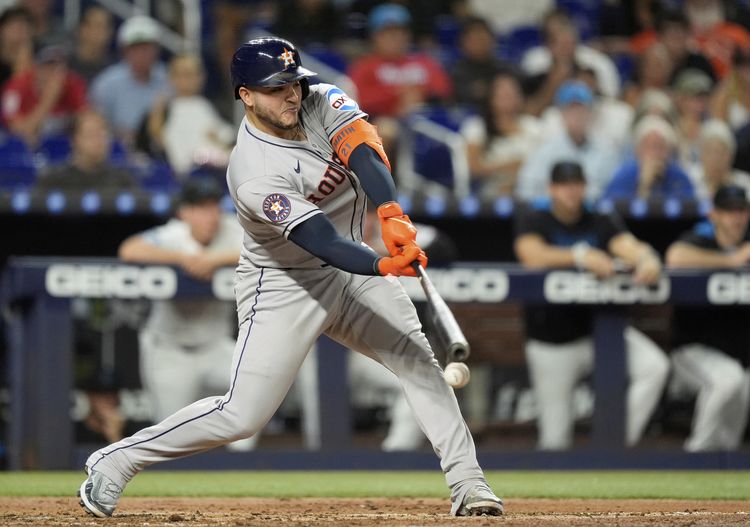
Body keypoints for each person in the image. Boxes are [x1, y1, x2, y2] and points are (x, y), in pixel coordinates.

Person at [78, 36, 503, 518]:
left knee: (419, 362)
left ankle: (469, 485)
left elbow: (364, 150)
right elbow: (320, 240)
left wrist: (389, 211)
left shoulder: (319, 97)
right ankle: (117, 460)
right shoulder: (252, 170)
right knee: (243, 414)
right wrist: (384, 265)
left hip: (355, 264)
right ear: (246, 95)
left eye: (292, 82)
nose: (290, 95)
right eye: (275, 88)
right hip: (284, 282)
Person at [513, 161, 670, 450]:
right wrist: (580, 256)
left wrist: (648, 257)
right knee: (555, 440)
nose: (571, 192)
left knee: (654, 366)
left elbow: (626, 244)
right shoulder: (535, 215)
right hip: (552, 341)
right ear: (552, 189)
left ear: (584, 187)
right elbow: (531, 255)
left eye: (577, 185)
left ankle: (616, 448)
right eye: (564, 185)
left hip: (600, 333)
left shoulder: (598, 215)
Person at [116, 176, 258, 450]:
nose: (210, 216)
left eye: (214, 207)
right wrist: (182, 259)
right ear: (185, 213)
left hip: (216, 349)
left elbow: (272, 248)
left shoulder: (232, 230)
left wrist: (214, 259)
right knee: (170, 441)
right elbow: (129, 249)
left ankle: (243, 479)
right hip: (170, 351)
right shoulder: (173, 235)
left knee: (253, 406)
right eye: (201, 208)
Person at [665, 185, 750, 451]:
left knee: (729, 440)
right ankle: (695, 455)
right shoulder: (700, 237)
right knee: (727, 380)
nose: (737, 217)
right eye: (730, 211)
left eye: (742, 211)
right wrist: (731, 260)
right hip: (692, 350)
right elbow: (675, 257)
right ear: (714, 214)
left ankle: (720, 485)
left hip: (737, 356)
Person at [347, 3, 452, 162]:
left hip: (426, 120)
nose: (395, 38)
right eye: (388, 33)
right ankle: (380, 183)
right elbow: (359, 100)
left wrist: (422, 94)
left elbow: (444, 90)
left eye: (399, 32)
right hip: (387, 121)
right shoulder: (365, 66)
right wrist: (396, 98)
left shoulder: (424, 62)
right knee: (386, 130)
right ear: (375, 36)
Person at [516, 81, 620, 202]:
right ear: (561, 114)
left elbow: (614, 191)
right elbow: (525, 190)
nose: (577, 116)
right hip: (552, 215)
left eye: (581, 110)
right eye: (571, 110)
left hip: (593, 216)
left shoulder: (606, 152)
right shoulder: (544, 151)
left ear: (590, 113)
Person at [146, 53, 235, 178]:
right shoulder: (165, 108)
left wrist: (219, 140)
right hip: (183, 176)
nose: (187, 80)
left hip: (216, 171)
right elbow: (156, 139)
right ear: (171, 78)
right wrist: (157, 112)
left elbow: (228, 138)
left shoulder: (208, 106)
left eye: (192, 74)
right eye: (182, 74)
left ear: (201, 77)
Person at [460, 70, 543, 198]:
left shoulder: (533, 126)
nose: (509, 98)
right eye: (503, 94)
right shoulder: (477, 127)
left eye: (513, 94)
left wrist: (522, 172)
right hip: (492, 192)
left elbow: (544, 162)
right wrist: (511, 167)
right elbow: (474, 168)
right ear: (491, 98)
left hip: (531, 190)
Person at [89, 15, 169, 147]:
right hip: (118, 151)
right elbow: (96, 125)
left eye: (147, 47)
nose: (143, 53)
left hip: (161, 149)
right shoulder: (106, 84)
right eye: (135, 48)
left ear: (157, 49)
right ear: (125, 51)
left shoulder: (168, 79)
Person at [1, 41, 88, 146]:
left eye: (61, 65)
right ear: (36, 68)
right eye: (50, 65)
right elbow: (18, 133)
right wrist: (47, 101)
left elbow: (88, 122)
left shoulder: (73, 84)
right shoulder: (14, 89)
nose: (57, 71)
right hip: (20, 151)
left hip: (62, 149)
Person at [33, 109, 137, 192]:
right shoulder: (53, 181)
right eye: (92, 134)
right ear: (75, 140)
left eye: (103, 135)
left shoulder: (123, 181)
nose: (99, 141)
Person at [603, 115, 695, 201]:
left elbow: (690, 208)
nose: (654, 153)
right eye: (649, 146)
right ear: (637, 150)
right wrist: (644, 185)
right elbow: (611, 207)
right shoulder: (624, 175)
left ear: (669, 151)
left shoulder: (678, 177)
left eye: (660, 147)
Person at [687, 119, 750, 204]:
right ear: (701, 155)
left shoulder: (745, 182)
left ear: (731, 156)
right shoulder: (689, 180)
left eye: (721, 152)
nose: (716, 158)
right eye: (710, 151)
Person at [67, 5, 114, 85]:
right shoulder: (65, 64)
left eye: (104, 27)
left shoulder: (113, 70)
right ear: (81, 29)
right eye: (96, 25)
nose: (99, 32)